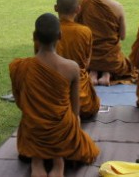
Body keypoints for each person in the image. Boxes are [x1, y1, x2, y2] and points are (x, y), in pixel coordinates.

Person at [9, 13, 100, 177]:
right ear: (60, 36)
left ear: (34, 36)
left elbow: (20, 102)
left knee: (31, 118)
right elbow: (75, 108)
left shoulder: (21, 67)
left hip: (34, 130)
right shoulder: (71, 67)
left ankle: (37, 162)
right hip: (62, 130)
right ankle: (59, 161)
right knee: (76, 128)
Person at [76, 0, 134, 86]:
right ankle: (106, 74)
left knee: (92, 52)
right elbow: (122, 36)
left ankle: (93, 73)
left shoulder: (82, 4)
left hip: (89, 58)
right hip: (111, 60)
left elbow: (76, 29)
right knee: (123, 62)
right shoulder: (118, 7)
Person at [52, 0, 101, 118]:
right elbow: (87, 63)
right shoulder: (84, 32)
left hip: (53, 103)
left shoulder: (47, 33)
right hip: (82, 103)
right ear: (78, 9)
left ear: (56, 8)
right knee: (94, 103)